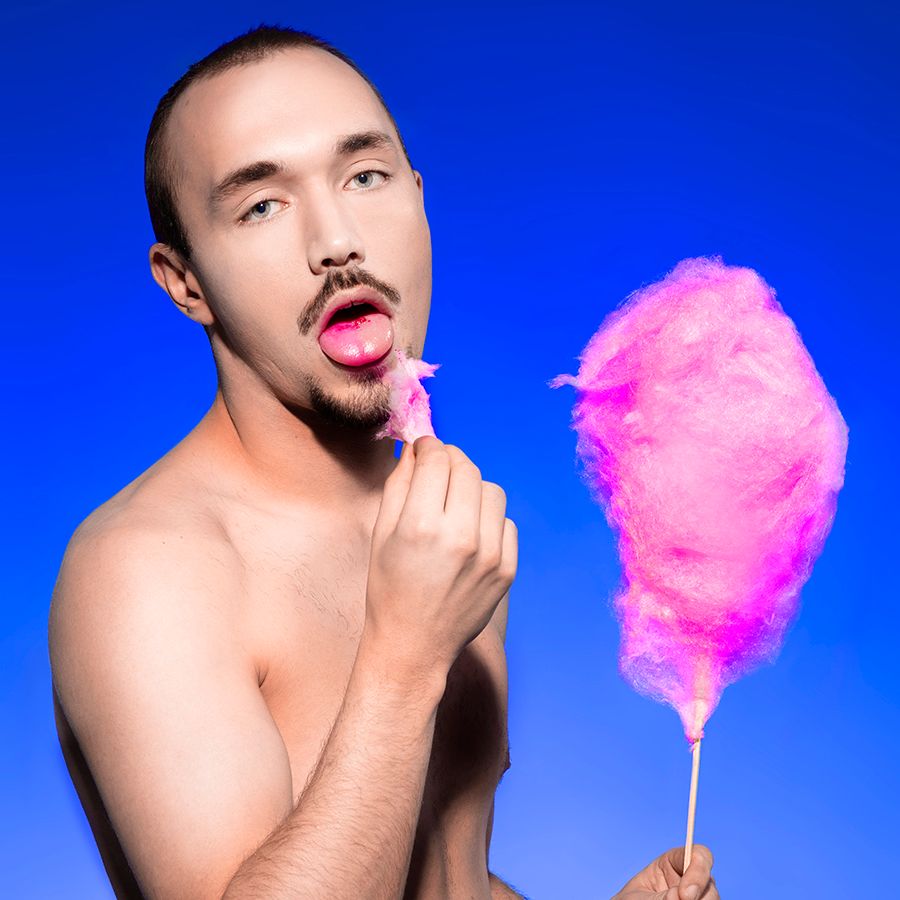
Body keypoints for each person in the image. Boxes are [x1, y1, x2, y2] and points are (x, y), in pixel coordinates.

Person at [47, 24, 718, 900]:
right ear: (186, 283)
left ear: (419, 198)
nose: (336, 239)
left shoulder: (433, 530)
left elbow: (441, 876)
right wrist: (403, 659)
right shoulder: (148, 571)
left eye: (364, 176)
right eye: (262, 205)